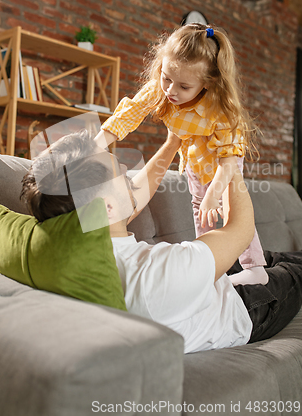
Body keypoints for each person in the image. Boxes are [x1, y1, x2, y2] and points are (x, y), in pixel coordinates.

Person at [20, 129, 302, 354]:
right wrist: (230, 163)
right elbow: (240, 231)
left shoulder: (78, 244)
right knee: (294, 270)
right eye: (119, 173)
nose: (126, 169)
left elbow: (128, 201)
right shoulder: (159, 273)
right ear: (106, 207)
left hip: (206, 281)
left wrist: (172, 143)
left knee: (272, 256)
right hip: (244, 307)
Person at [95, 23, 268, 286]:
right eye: (166, 77)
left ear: (208, 84)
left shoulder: (221, 110)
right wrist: (96, 144)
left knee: (231, 208)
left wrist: (214, 194)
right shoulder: (160, 89)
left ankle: (255, 268)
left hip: (225, 160)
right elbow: (130, 113)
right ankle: (210, 266)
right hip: (194, 158)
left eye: (184, 86)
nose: (170, 90)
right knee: (200, 210)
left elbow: (228, 162)